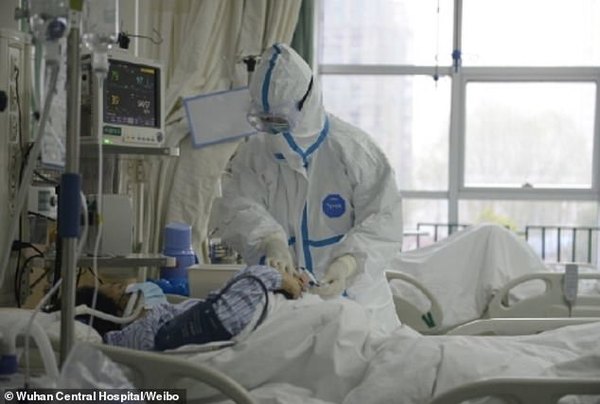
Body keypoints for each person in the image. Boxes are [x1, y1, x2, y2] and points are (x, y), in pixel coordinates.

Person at [215, 43, 404, 334]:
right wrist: (270, 241)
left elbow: (384, 222)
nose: (273, 131)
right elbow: (239, 206)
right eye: (265, 121)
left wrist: (348, 263)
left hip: (362, 311)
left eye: (280, 119)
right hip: (288, 312)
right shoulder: (255, 154)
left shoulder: (354, 152)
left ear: (308, 103)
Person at [73, 265, 309, 351]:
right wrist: (273, 277)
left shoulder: (163, 318)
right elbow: (222, 318)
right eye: (119, 287)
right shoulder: (146, 333)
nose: (133, 282)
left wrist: (286, 288)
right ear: (114, 310)